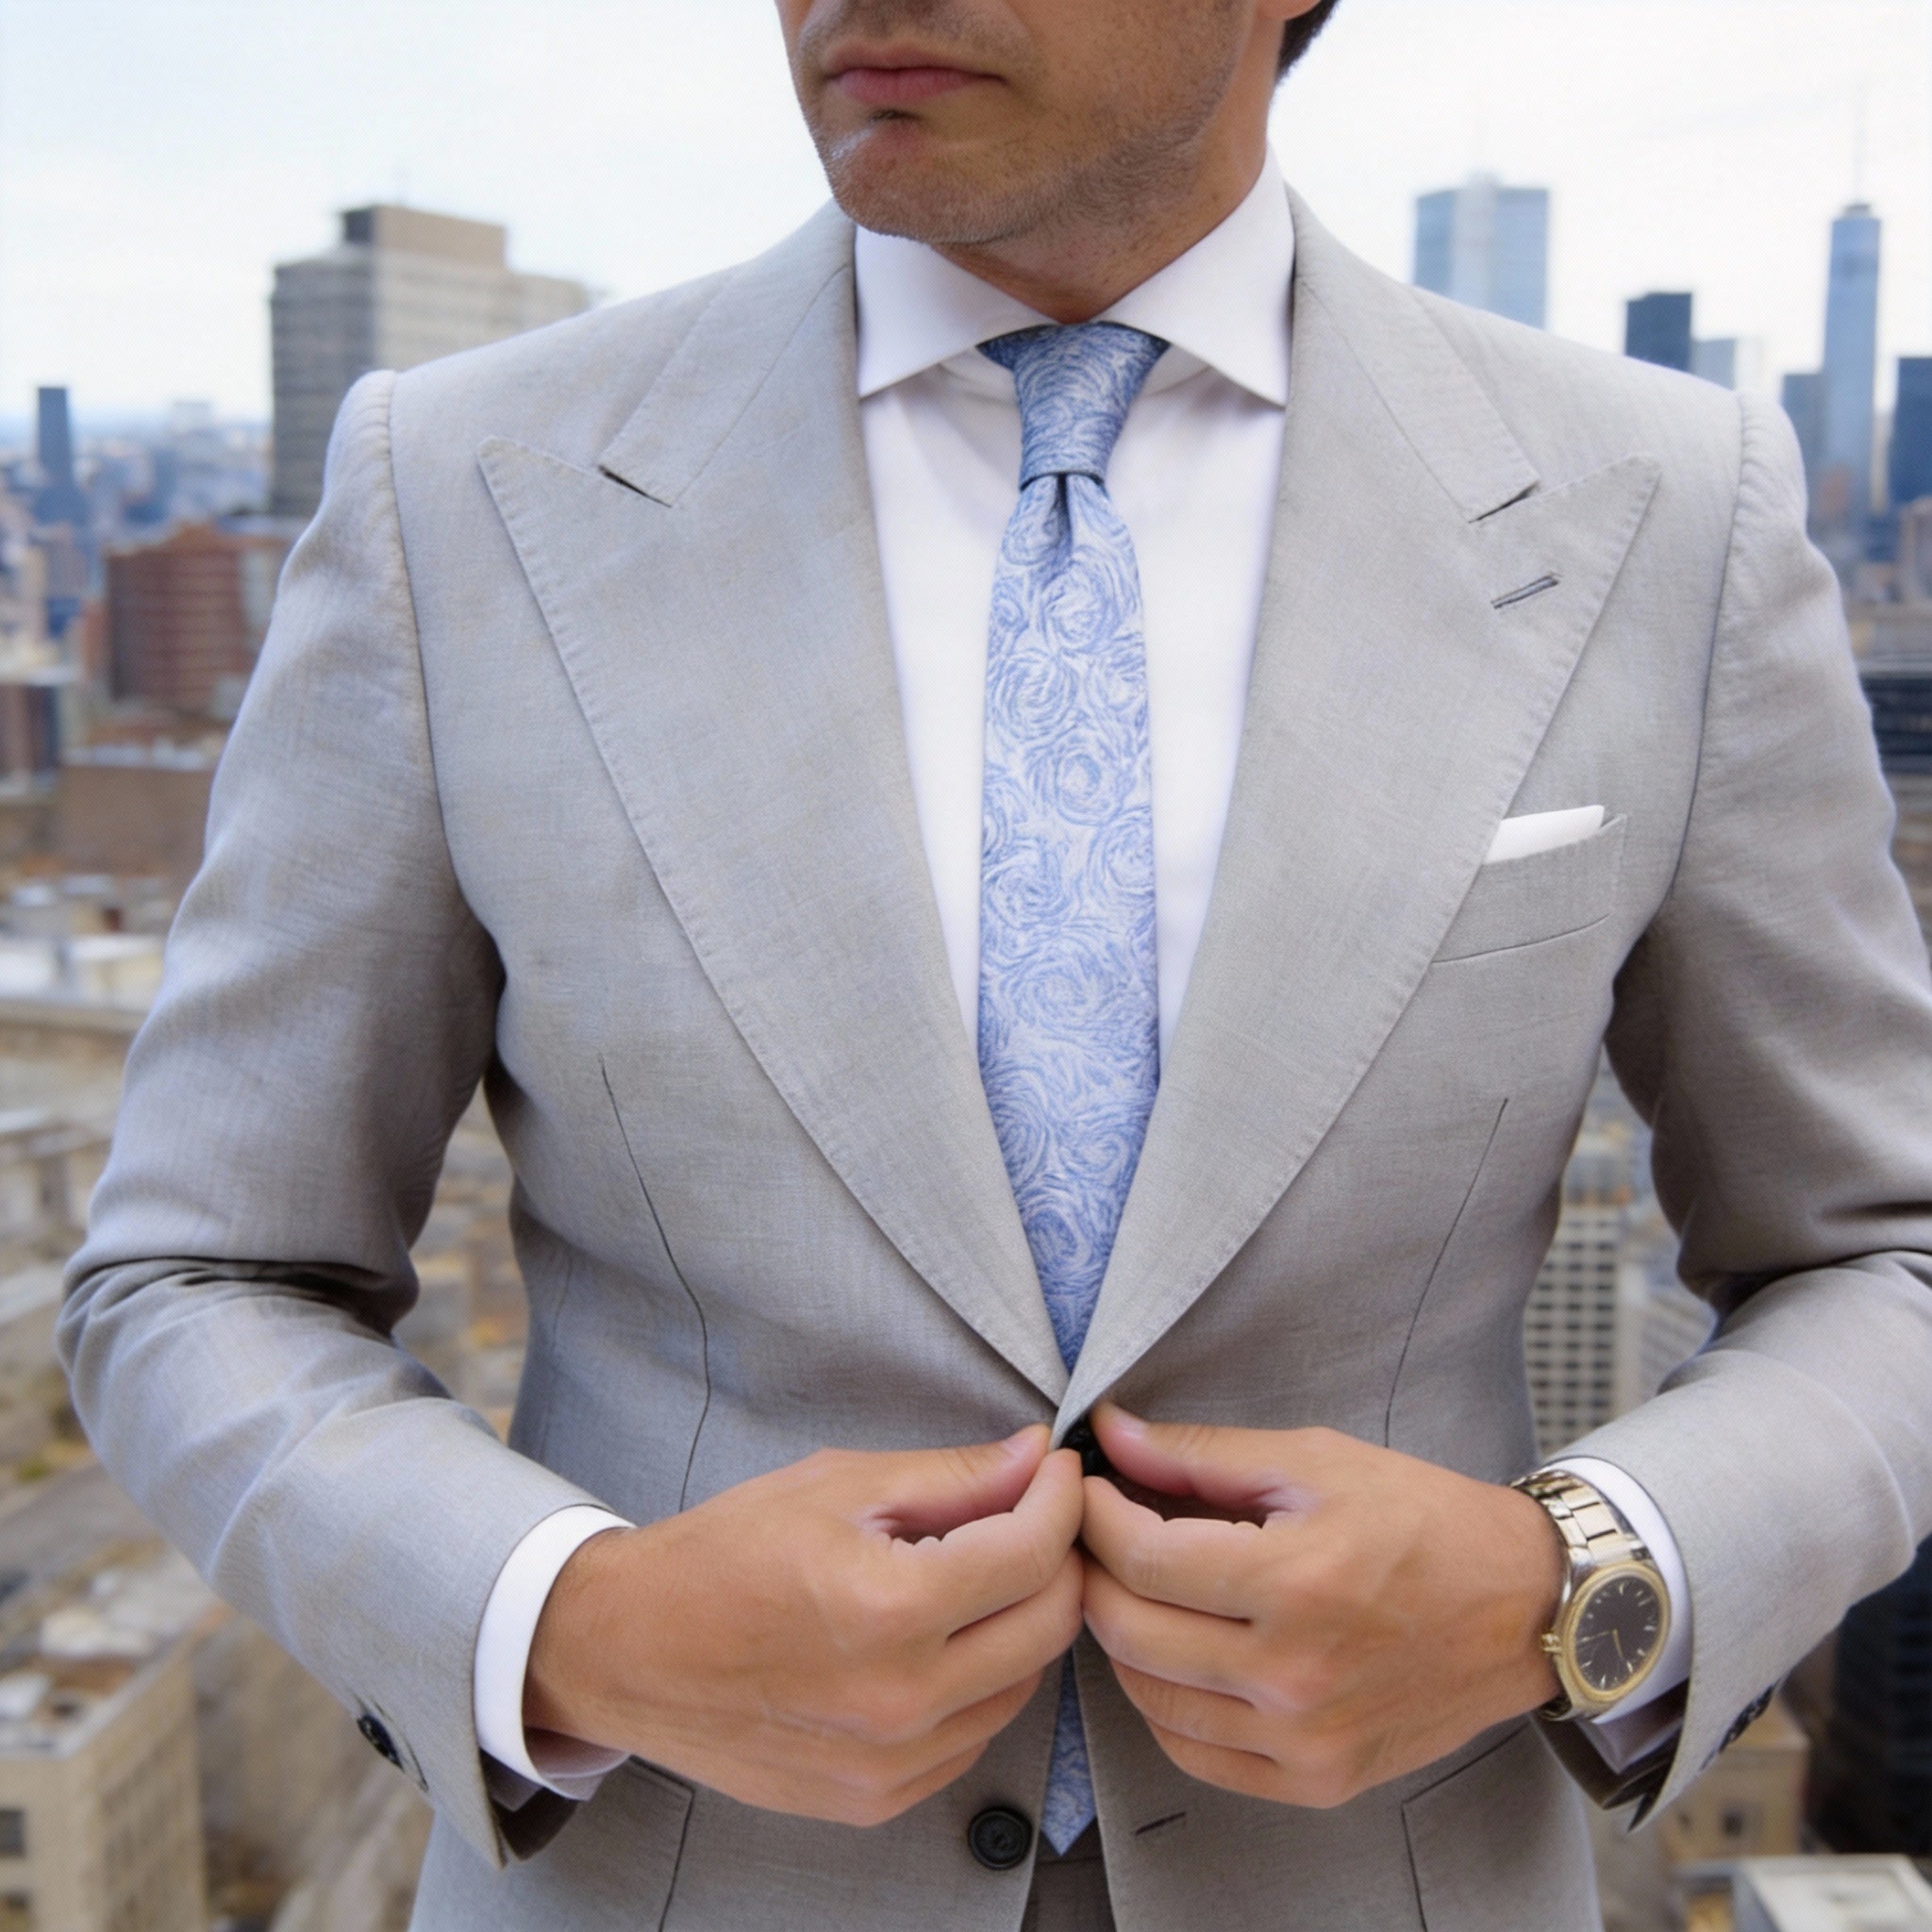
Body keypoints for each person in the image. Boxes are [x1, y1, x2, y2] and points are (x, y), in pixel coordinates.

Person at [59, 1, 1932, 1926]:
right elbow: (197, 1269)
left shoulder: (1663, 507)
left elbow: (1883, 1250)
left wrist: (1572, 1584)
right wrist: (575, 1622)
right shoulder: (454, 490)